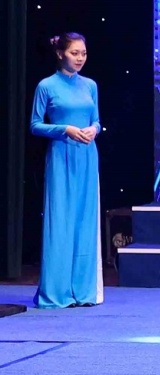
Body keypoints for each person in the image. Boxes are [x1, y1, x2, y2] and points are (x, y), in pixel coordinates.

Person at [31, 33, 102, 309]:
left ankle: (82, 291)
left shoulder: (90, 85)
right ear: (61, 53)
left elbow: (96, 119)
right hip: (61, 155)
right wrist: (65, 129)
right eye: (74, 53)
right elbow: (35, 125)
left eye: (83, 53)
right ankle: (56, 292)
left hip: (87, 156)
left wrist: (93, 129)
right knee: (60, 221)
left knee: (85, 221)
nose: (80, 58)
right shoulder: (46, 86)